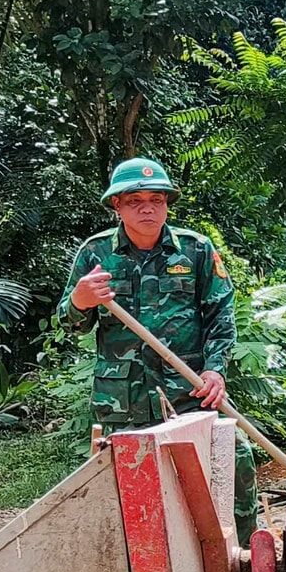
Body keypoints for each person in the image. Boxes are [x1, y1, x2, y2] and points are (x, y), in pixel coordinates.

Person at [63, 157, 257, 534]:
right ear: (117, 205)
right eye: (135, 200)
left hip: (188, 391)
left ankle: (250, 556)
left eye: (157, 199)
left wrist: (215, 369)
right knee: (124, 489)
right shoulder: (95, 254)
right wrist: (80, 300)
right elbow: (71, 322)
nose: (148, 208)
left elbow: (221, 314)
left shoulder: (195, 250)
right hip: (125, 399)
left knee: (235, 458)